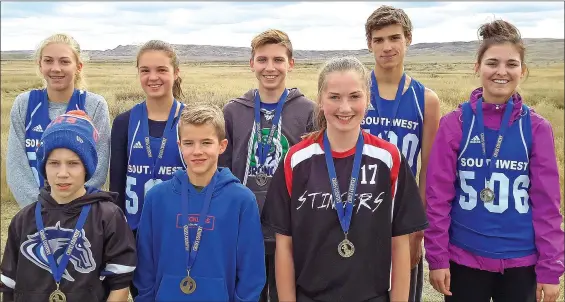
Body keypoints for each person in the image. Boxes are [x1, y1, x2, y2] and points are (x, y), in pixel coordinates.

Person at [261, 56, 428, 302]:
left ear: (368, 99)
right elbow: (284, 246)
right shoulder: (296, 160)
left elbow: (400, 244)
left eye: (354, 96)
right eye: (335, 97)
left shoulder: (389, 158)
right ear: (320, 100)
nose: (345, 108)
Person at [424, 20, 564, 302]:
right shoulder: (455, 124)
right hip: (464, 259)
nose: (501, 71)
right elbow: (437, 197)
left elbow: (547, 205)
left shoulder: (536, 128)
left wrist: (550, 270)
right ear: (477, 67)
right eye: (492, 63)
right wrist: (438, 258)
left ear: (522, 71)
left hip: (521, 263)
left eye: (511, 64)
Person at [134, 103, 266, 302]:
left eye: (206, 143)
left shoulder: (242, 200)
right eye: (189, 143)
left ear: (222, 146)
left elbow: (251, 270)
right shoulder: (156, 198)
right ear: (179, 145)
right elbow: (145, 264)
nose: (197, 151)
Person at [0, 110, 136, 302]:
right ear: (44, 167)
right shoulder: (23, 219)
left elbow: (120, 285)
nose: (63, 173)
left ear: (86, 167)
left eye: (73, 163)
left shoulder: (108, 216)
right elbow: (8, 287)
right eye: (54, 163)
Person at [219, 29, 314, 302]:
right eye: (262, 60)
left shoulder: (307, 110)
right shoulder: (233, 111)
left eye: (278, 60)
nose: (270, 67)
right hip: (245, 227)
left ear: (291, 63)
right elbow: (223, 170)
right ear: (252, 64)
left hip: (292, 228)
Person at [362, 6, 441, 302]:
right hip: (356, 215)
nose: (387, 47)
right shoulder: (355, 93)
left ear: (408, 39)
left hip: (402, 218)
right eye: (379, 39)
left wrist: (417, 228)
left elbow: (428, 172)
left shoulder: (426, 100)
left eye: (394, 38)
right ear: (369, 43)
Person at [109, 39, 186, 297]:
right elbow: (117, 185)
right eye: (145, 70)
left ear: (176, 73)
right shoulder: (124, 122)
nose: (153, 77)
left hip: (179, 233)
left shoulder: (190, 121)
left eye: (162, 69)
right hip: (134, 233)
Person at [6, 33, 111, 209]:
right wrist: (39, 211)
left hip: (80, 214)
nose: (56, 68)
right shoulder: (24, 104)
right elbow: (16, 166)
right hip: (33, 213)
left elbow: (99, 167)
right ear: (40, 65)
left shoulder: (94, 105)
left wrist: (70, 211)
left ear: (78, 66)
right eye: (48, 61)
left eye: (64, 61)